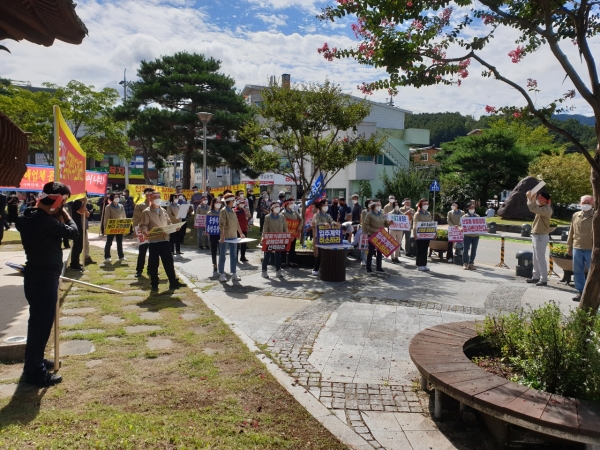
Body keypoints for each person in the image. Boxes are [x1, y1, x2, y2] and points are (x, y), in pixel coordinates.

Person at [17, 181, 79, 386]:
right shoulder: (44, 222)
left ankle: (35, 361)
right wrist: (66, 215)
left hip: (37, 275)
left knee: (37, 324)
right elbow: (73, 232)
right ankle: (34, 372)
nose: (63, 206)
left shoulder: (28, 215)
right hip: (44, 278)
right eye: (63, 202)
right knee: (41, 325)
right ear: (56, 200)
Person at [138, 193, 183, 292]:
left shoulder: (163, 210)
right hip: (154, 241)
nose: (157, 199)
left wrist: (174, 227)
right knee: (154, 264)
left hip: (165, 240)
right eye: (155, 198)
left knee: (169, 262)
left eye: (159, 197)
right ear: (150, 199)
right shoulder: (147, 212)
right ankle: (154, 283)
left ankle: (173, 281)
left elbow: (168, 222)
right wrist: (145, 231)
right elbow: (143, 225)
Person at [568, 195, 594, 302]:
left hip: (591, 248)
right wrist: (569, 245)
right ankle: (580, 291)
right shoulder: (576, 215)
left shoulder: (596, 215)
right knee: (578, 271)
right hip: (577, 247)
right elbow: (571, 231)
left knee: (593, 272)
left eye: (588, 202)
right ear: (580, 203)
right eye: (583, 202)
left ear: (593, 203)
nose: (585, 204)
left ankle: (594, 293)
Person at [526, 190, 553, 286]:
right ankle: (536, 276)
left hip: (541, 235)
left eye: (540, 199)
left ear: (545, 200)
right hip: (536, 235)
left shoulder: (546, 209)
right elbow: (534, 207)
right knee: (535, 258)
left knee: (540, 258)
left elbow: (532, 208)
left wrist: (529, 198)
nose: (538, 200)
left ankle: (543, 278)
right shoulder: (542, 208)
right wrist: (532, 199)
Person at [218, 193, 245, 282]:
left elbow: (237, 223)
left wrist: (241, 233)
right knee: (223, 256)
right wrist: (222, 236)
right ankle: (221, 274)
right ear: (229, 201)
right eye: (233, 200)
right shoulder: (223, 211)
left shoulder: (233, 210)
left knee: (234, 256)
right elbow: (221, 224)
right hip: (225, 237)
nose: (234, 202)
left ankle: (234, 274)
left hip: (234, 237)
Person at [261, 202, 289, 278]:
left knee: (278, 255)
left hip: (279, 239)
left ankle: (278, 270)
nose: (278, 208)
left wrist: (287, 235)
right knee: (268, 255)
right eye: (276, 207)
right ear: (272, 208)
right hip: (270, 239)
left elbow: (285, 227)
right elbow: (265, 229)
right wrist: (263, 237)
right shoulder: (267, 217)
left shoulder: (282, 216)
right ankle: (264, 270)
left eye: (278, 206)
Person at [363, 199, 391, 273]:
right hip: (372, 235)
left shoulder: (381, 213)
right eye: (377, 205)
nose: (379, 206)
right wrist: (374, 230)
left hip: (380, 235)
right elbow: (365, 225)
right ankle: (368, 268)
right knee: (371, 251)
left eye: (380, 205)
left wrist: (389, 223)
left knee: (380, 251)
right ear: (373, 205)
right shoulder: (369, 214)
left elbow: (385, 224)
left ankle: (379, 267)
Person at [311, 199, 337, 276]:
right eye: (324, 205)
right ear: (320, 206)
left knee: (326, 252)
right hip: (319, 236)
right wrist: (324, 223)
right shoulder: (317, 215)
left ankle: (323, 268)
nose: (326, 207)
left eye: (327, 205)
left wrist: (334, 223)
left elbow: (331, 221)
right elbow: (317, 223)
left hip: (327, 236)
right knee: (321, 253)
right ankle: (315, 269)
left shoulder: (328, 215)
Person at [133, 187, 154, 278]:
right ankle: (139, 270)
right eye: (148, 193)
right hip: (143, 231)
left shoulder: (157, 206)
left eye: (151, 193)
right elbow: (136, 219)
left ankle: (151, 270)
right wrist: (135, 229)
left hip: (154, 231)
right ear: (145, 195)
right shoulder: (140, 205)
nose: (150, 195)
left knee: (153, 252)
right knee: (142, 251)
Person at [69, 195, 91, 271]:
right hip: (77, 226)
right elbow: (81, 211)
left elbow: (87, 214)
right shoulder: (76, 203)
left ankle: (76, 262)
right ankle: (74, 264)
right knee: (77, 245)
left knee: (81, 245)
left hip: (82, 226)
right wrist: (84, 203)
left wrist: (84, 204)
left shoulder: (81, 204)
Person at [103, 193, 126, 263]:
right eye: (115, 197)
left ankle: (121, 256)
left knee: (120, 242)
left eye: (118, 197)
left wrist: (125, 225)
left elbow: (124, 216)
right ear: (112, 198)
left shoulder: (121, 206)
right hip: (111, 227)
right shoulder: (108, 207)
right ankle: (107, 256)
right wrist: (105, 228)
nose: (117, 198)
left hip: (119, 226)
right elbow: (106, 218)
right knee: (109, 242)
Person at [282, 198, 302, 267]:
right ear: (286, 204)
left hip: (294, 232)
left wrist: (300, 226)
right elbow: (282, 223)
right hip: (285, 233)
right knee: (284, 247)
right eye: (290, 203)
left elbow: (301, 219)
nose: (292, 204)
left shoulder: (295, 212)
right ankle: (283, 262)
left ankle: (291, 261)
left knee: (292, 248)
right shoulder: (283, 213)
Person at [413, 198, 432, 271]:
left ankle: (424, 264)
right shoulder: (417, 214)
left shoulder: (428, 214)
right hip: (419, 234)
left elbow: (431, 223)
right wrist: (415, 234)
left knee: (425, 249)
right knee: (420, 249)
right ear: (421, 205)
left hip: (427, 234)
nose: (426, 205)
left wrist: (434, 233)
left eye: (427, 204)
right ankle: (419, 264)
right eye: (424, 204)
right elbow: (414, 224)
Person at [462, 202, 480, 270]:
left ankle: (471, 263)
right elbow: (461, 225)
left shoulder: (477, 217)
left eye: (473, 208)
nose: (472, 209)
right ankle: (465, 263)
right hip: (467, 235)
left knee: (474, 250)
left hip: (475, 236)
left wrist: (485, 228)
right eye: (470, 208)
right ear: (468, 208)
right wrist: (461, 228)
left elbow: (480, 226)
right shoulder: (465, 216)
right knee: (466, 250)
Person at [208, 198, 221, 276]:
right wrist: (207, 230)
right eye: (217, 202)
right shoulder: (210, 213)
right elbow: (207, 223)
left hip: (221, 233)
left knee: (222, 250)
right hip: (213, 234)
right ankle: (214, 264)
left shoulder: (222, 212)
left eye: (219, 202)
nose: (218, 203)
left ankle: (220, 264)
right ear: (213, 203)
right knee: (214, 249)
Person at [234, 197, 250, 262]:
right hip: (237, 229)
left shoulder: (245, 210)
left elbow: (249, 216)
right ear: (237, 204)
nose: (242, 204)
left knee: (244, 244)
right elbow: (237, 213)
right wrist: (243, 210)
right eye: (241, 203)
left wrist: (248, 215)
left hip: (244, 228)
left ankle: (242, 257)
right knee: (236, 244)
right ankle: (235, 257)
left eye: (243, 203)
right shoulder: (235, 210)